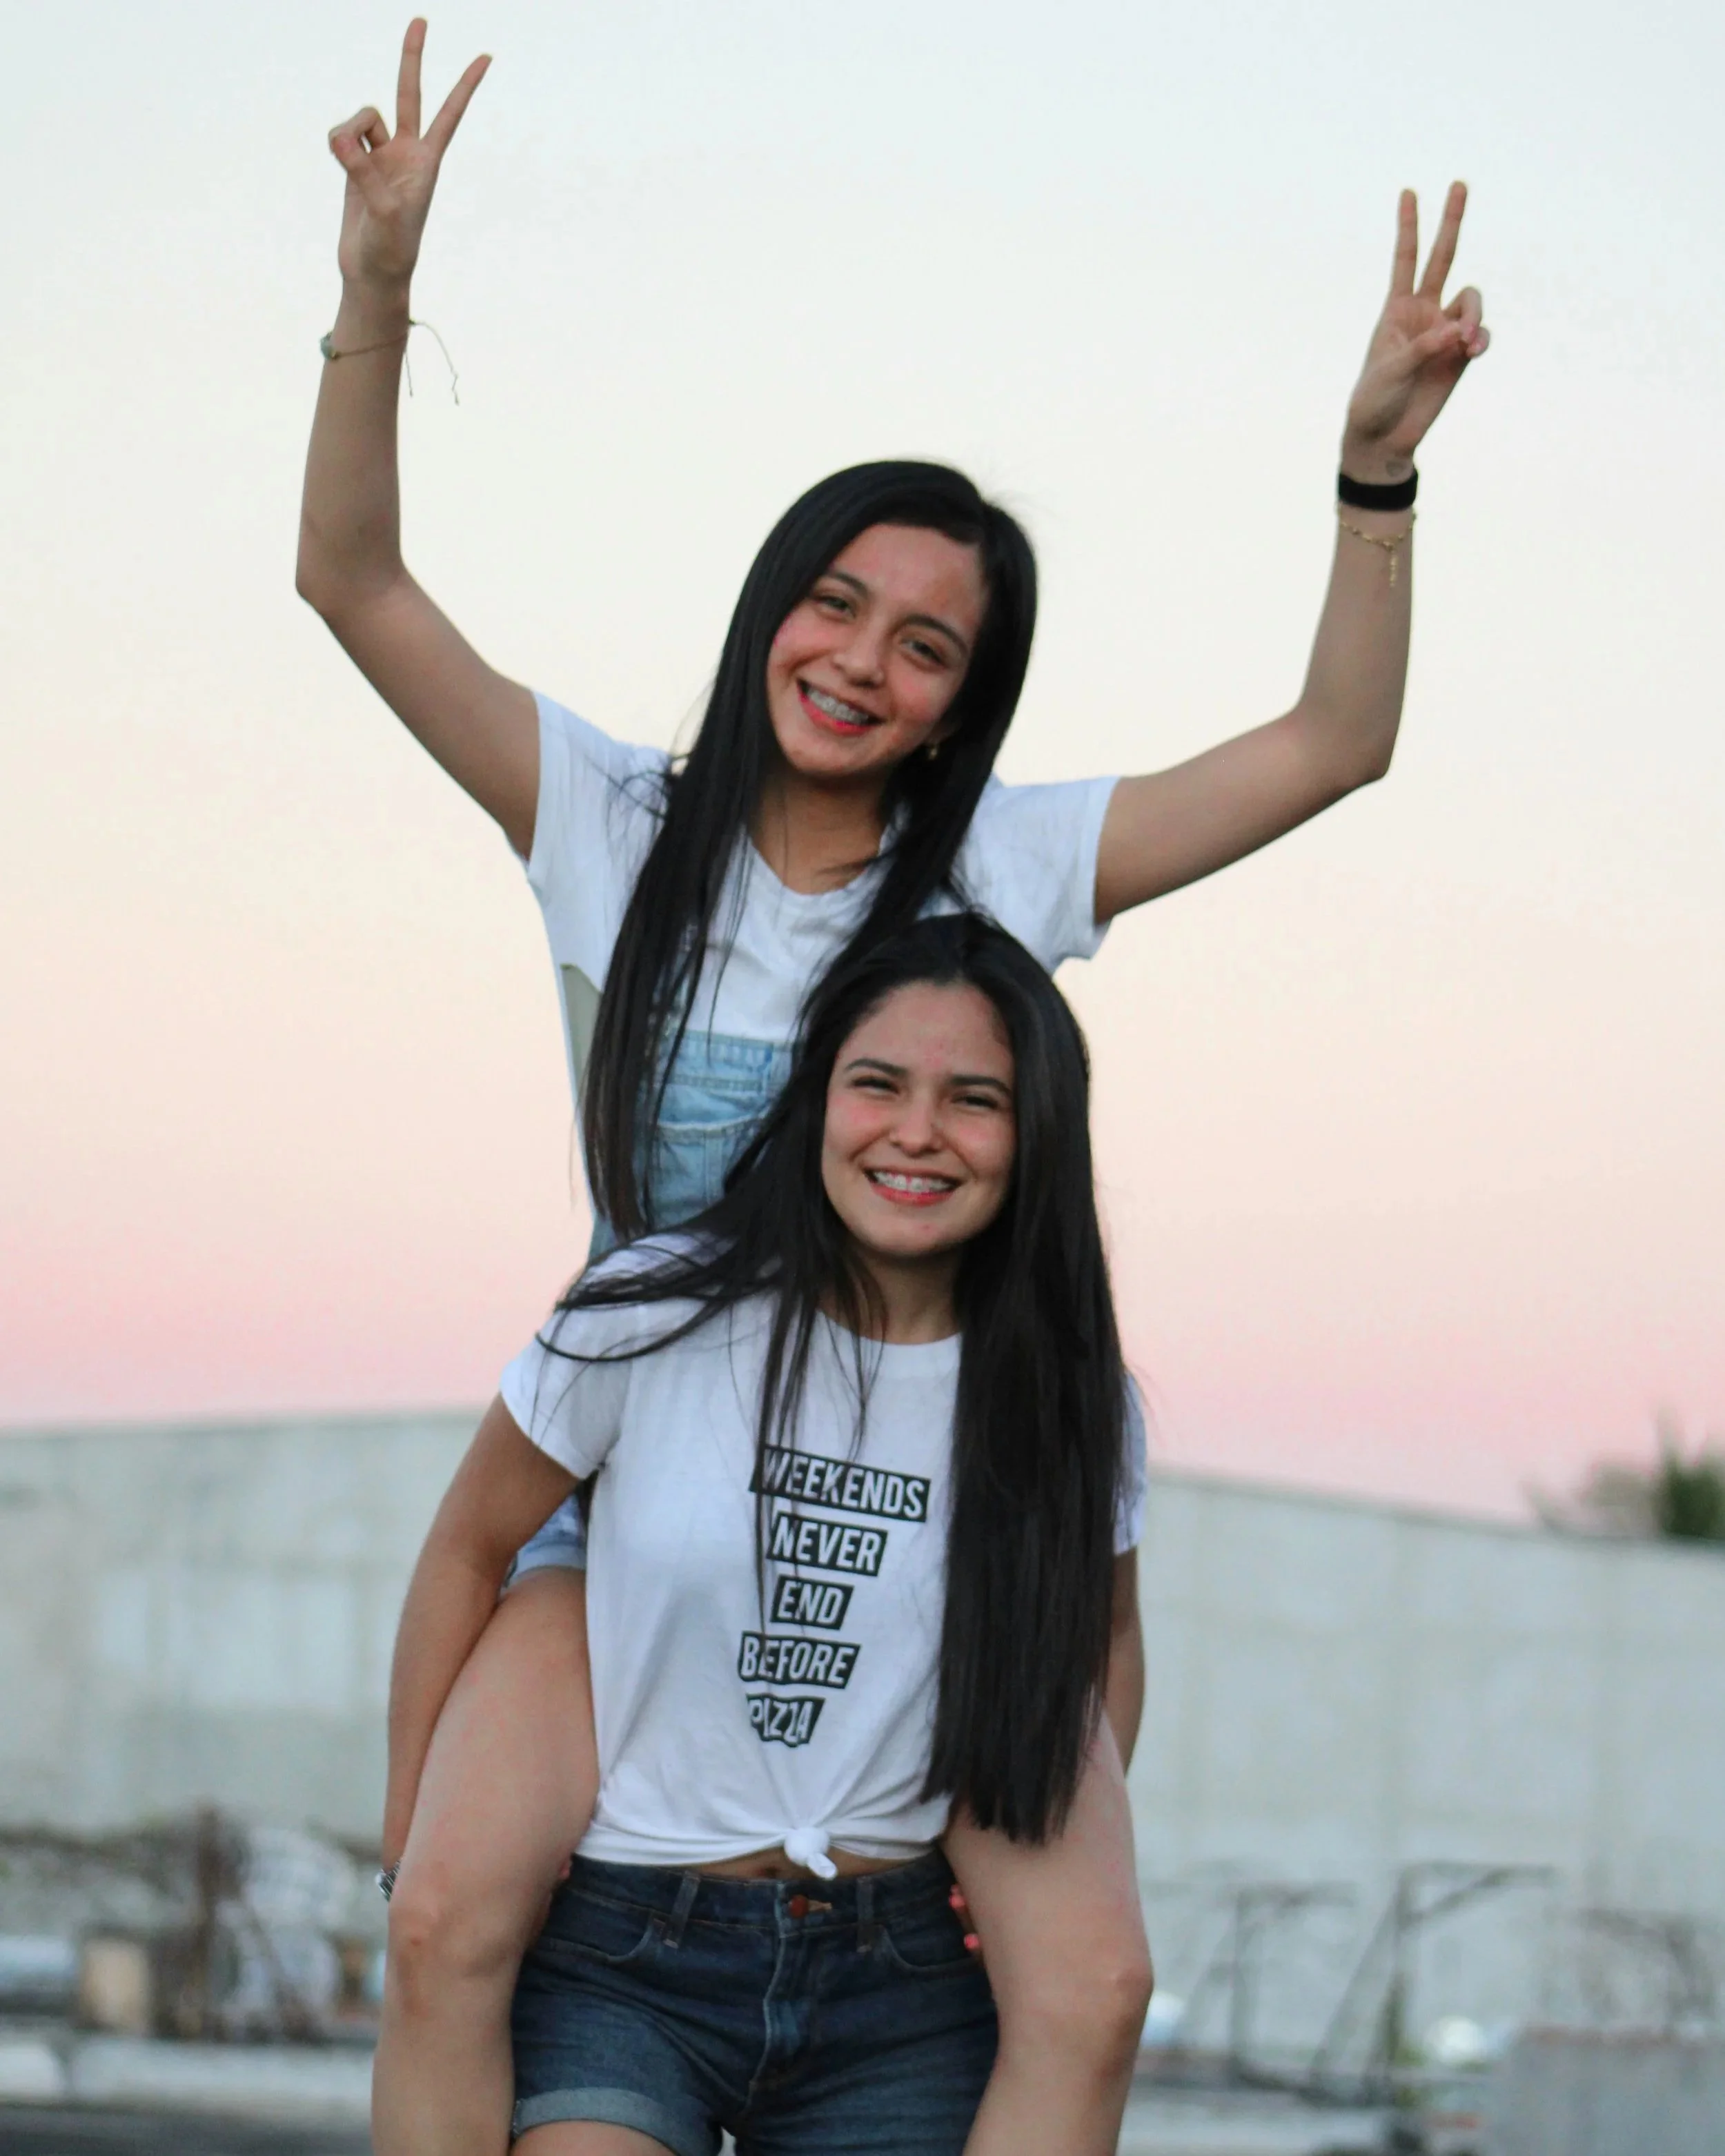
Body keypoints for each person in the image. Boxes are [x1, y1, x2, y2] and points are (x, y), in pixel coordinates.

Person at [294, 21, 1488, 2152]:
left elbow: (1333, 744)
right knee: (445, 1913)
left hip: (912, 1527)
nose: (860, 657)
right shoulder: (609, 820)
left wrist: (1371, 473)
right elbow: (353, 582)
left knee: (1079, 1982)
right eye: (833, 603)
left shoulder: (999, 871)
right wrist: (379, 291)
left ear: (959, 703)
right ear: (771, 608)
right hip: (641, 1506)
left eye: (924, 644)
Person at [391, 913, 1147, 2155]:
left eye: (975, 1100)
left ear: (1038, 1134)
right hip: (631, 1950)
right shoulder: (648, 1315)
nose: (917, 1132)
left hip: (899, 1982)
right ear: (818, 1099)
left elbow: (1104, 1636)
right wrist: (410, 1835)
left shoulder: (1068, 1399)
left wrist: (1037, 1873)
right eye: (878, 1084)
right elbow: (470, 1548)